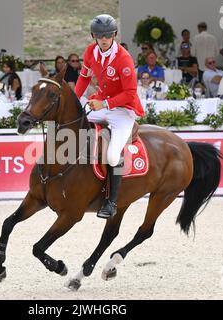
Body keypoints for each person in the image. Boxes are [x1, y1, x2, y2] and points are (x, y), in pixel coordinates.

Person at [75, 14, 145, 219]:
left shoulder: (123, 58)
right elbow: (84, 77)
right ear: (93, 36)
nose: (104, 39)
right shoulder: (90, 51)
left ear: (114, 35)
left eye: (107, 35)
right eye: (99, 35)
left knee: (113, 155)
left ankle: (112, 202)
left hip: (123, 110)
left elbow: (130, 93)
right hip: (102, 103)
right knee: (75, 122)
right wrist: (74, 99)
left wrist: (104, 104)